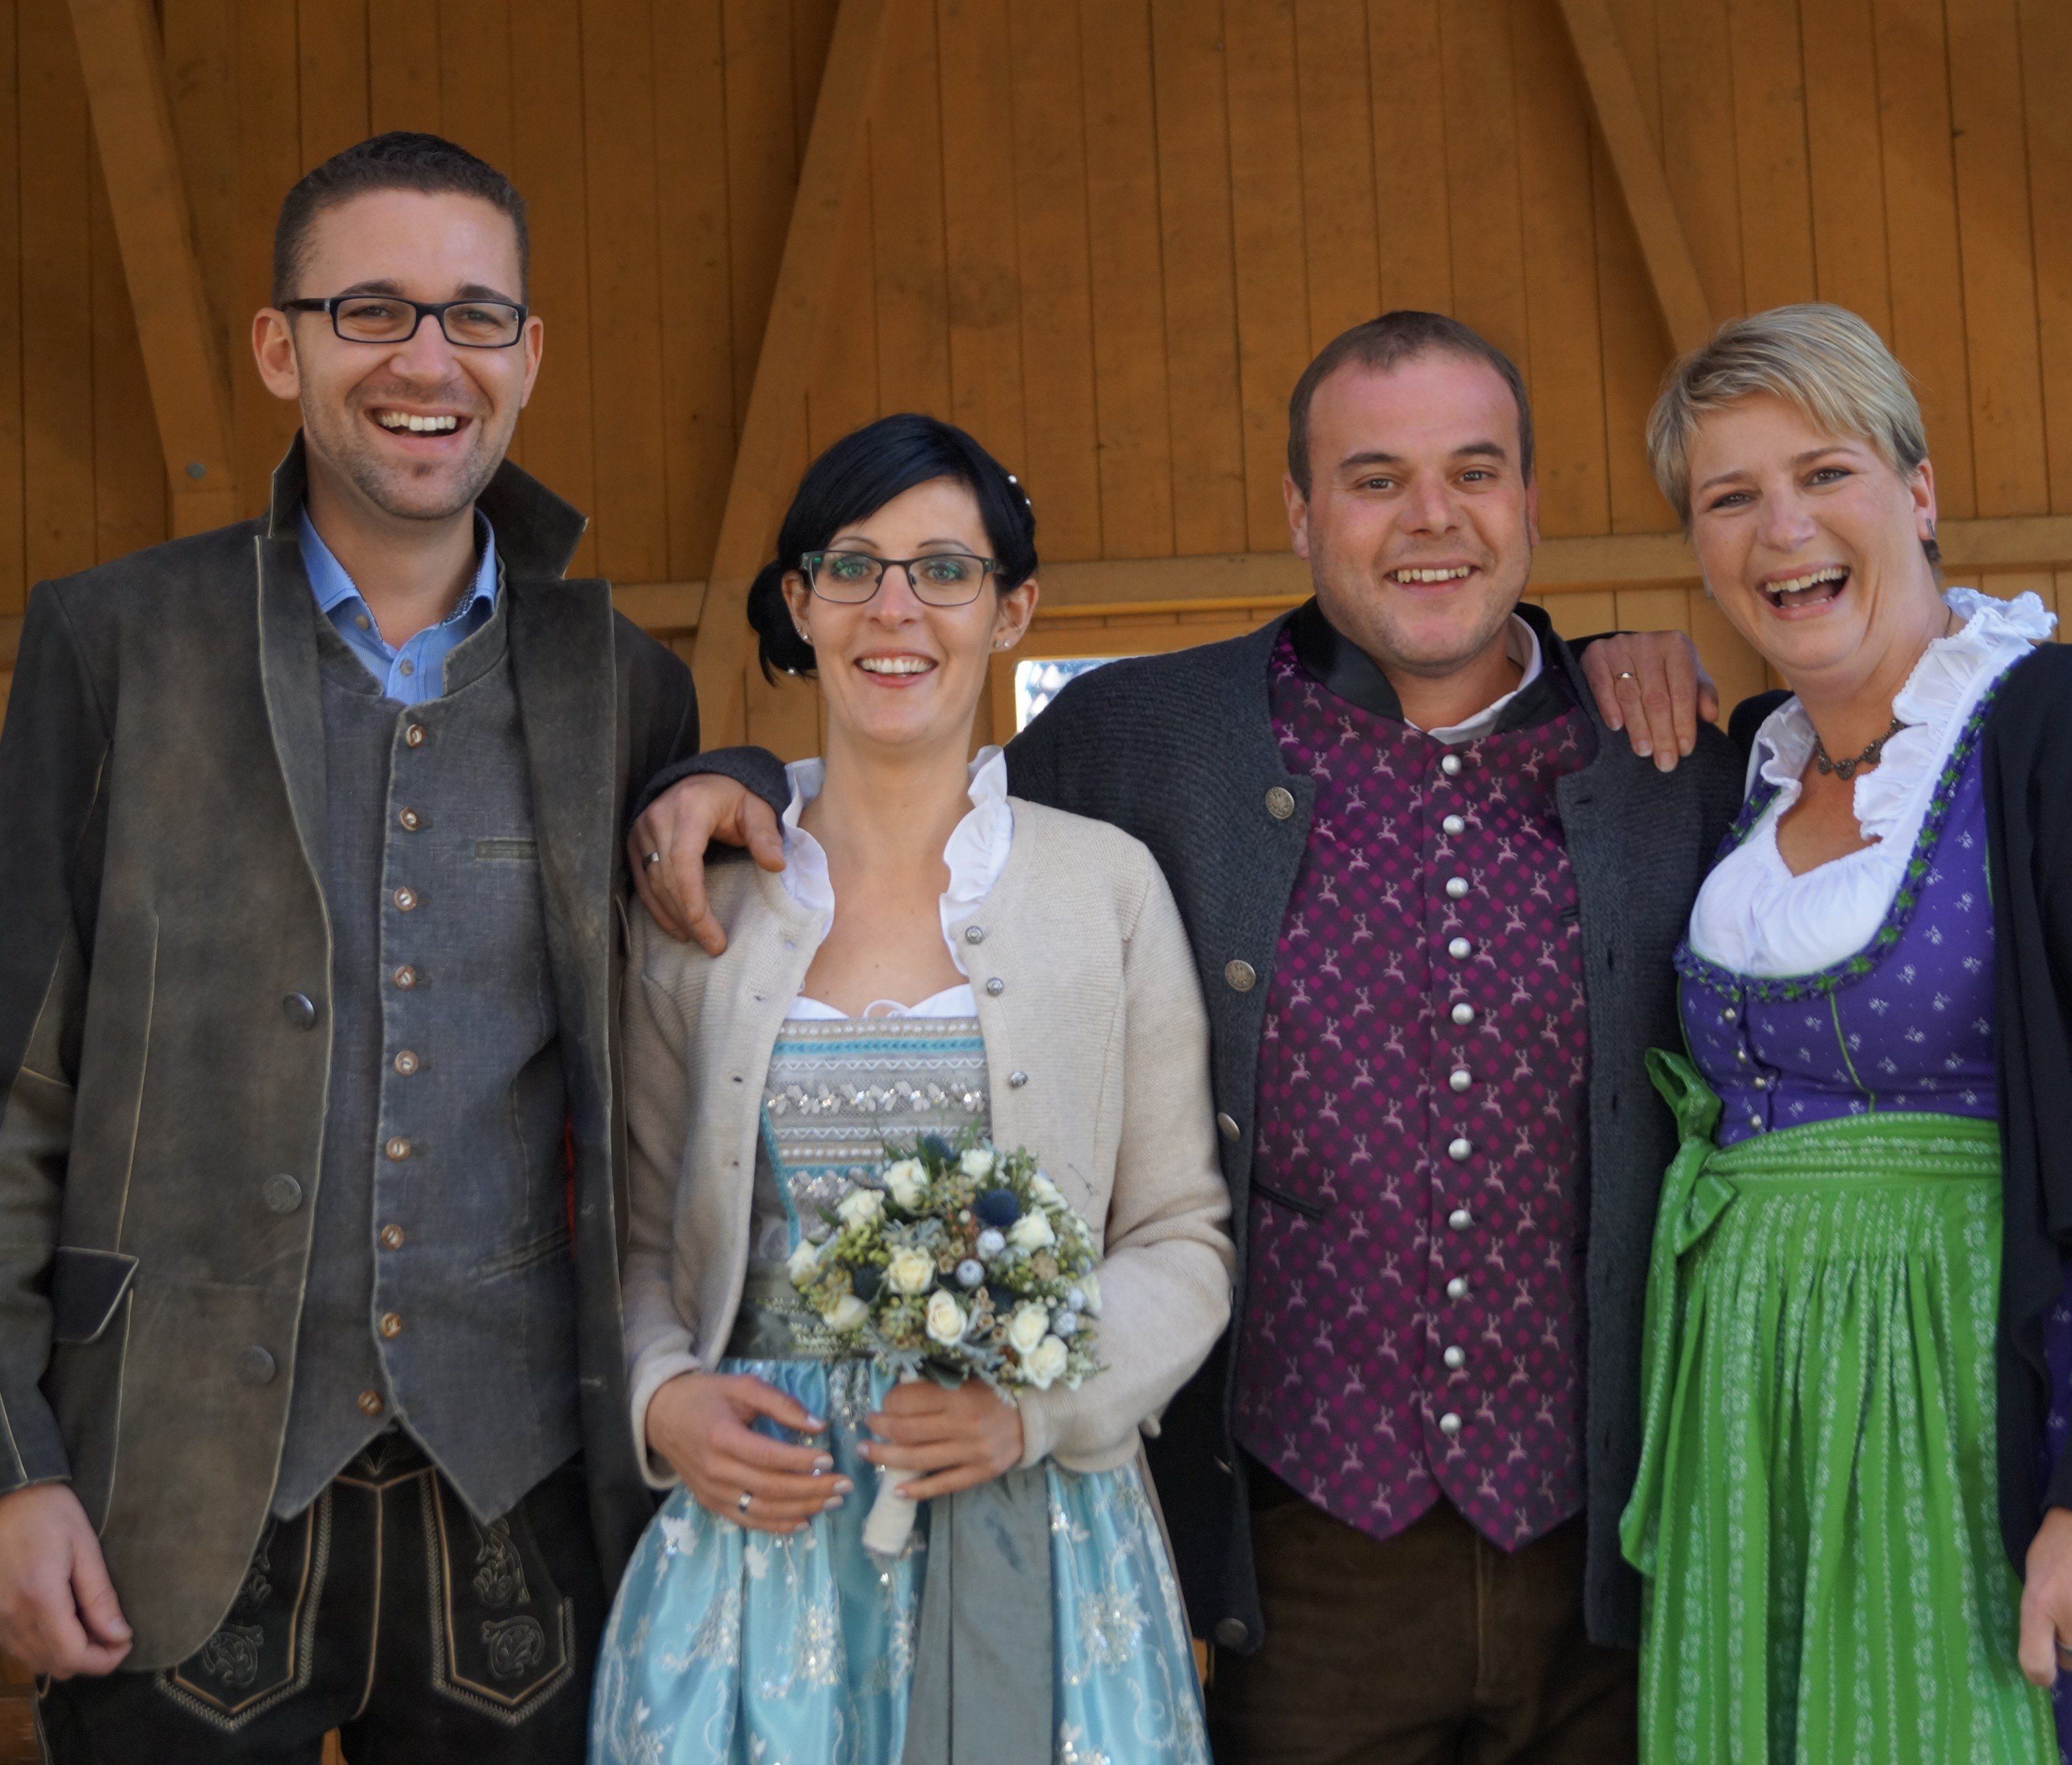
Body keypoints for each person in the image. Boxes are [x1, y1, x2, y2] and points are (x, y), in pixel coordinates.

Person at [630, 311, 1744, 1762]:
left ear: (1532, 501)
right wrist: (728, 784)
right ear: (1295, 510)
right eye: (1372, 478)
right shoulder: (1141, 740)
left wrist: (1626, 650)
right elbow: (916, 778)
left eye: (1475, 474)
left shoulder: (1667, 759)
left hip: (1624, 1555)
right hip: (1307, 1563)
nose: (1431, 518)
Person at [0, 132, 761, 1762]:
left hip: (526, 1516)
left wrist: (745, 775)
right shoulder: (110, 641)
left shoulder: (628, 682)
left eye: (475, 316)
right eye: (372, 310)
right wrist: (15, 1466)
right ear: (283, 347)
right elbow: (13, 1098)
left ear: (528, 356)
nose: (428, 360)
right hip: (171, 1495)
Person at [589, 412, 1232, 1763]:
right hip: (760, 1528)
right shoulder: (696, 900)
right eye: (854, 566)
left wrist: (1034, 1406)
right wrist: (662, 1398)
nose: (898, 608)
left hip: (1036, 1512)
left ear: (1012, 611)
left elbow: (1180, 1233)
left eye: (945, 569)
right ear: (800, 603)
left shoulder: (1104, 886)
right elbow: (638, 1236)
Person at [1616, 302, 2072, 1762]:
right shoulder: (1737, 772)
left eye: (1823, 475)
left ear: (1918, 491)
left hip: (1961, 1399)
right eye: (1728, 497)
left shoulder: (2045, 728)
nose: (1779, 530)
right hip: (1745, 1404)